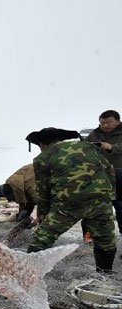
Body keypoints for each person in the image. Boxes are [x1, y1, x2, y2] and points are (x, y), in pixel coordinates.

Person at [26, 127, 117, 273]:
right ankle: (105, 273)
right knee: (105, 238)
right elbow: (109, 169)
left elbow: (43, 190)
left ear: (42, 145)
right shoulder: (88, 146)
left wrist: (43, 212)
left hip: (68, 204)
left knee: (43, 237)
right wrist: (110, 194)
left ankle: (28, 272)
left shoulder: (42, 158)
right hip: (99, 198)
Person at [86, 110, 122, 234]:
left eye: (108, 122)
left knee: (120, 207)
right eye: (102, 123)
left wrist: (112, 147)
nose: (105, 125)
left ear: (118, 121)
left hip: (120, 178)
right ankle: (90, 236)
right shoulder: (94, 134)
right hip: (99, 178)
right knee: (93, 208)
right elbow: (83, 149)